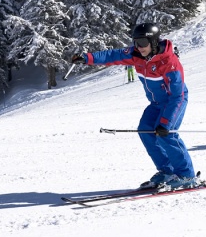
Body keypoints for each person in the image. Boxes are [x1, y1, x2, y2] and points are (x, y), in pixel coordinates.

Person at [71, 23, 198, 189]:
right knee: (145, 130)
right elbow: (113, 55)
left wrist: (166, 122)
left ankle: (186, 175)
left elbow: (177, 96)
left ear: (153, 42)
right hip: (156, 103)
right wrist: (87, 58)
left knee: (166, 134)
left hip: (174, 102)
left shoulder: (169, 63)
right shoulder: (136, 54)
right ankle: (167, 171)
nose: (139, 46)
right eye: (136, 42)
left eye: (143, 42)